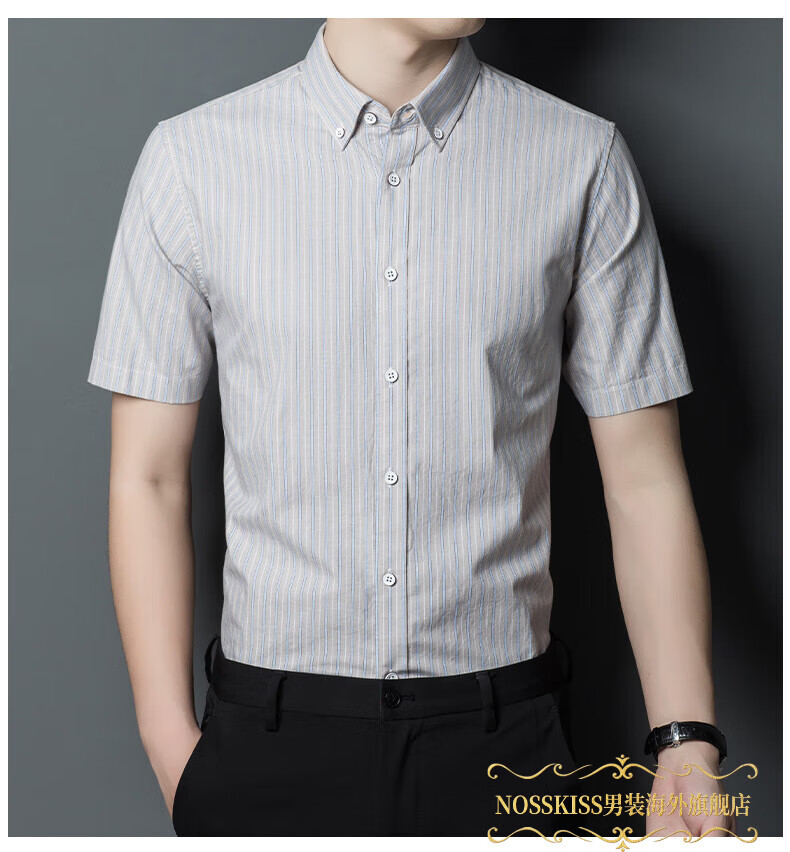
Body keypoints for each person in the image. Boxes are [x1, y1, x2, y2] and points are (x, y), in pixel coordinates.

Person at [87, 18, 733, 838]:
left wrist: (685, 742)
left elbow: (644, 481)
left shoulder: (581, 158)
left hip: (509, 748)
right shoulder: (192, 159)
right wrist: (171, 746)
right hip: (266, 745)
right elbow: (147, 477)